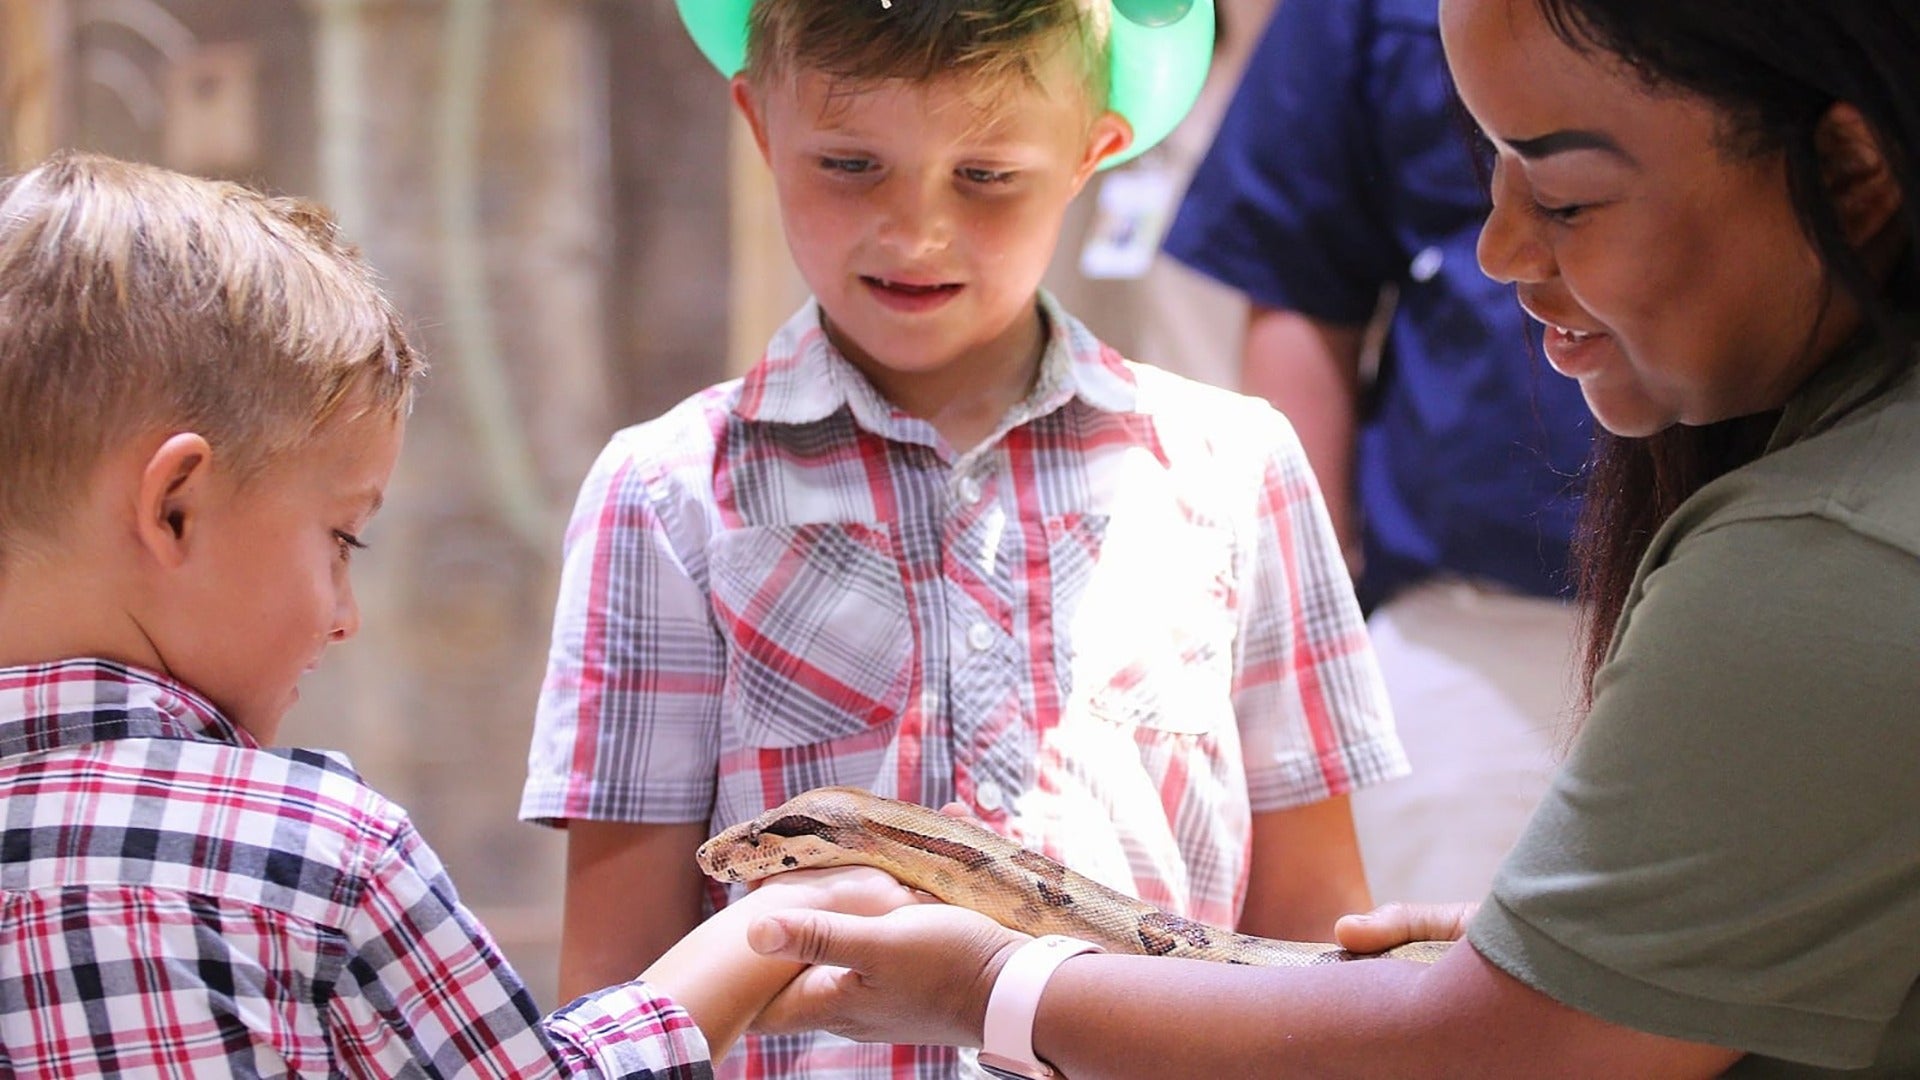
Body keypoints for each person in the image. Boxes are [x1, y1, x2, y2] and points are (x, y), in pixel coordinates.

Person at [731, 0, 1920, 1073]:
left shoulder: (1820, 558)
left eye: (1563, 198)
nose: (1497, 250)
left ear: (1849, 171)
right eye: (1484, 170)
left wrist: (997, 985)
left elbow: (1512, 1056)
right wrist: (1559, 961)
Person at [519, 2, 1409, 1077]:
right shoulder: (665, 494)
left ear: (1095, 151)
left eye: (986, 176)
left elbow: (1310, 952)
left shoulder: (1238, 469)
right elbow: (617, 997)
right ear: (758, 123)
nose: (915, 231)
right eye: (851, 163)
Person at [0, 150, 916, 1078]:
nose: (345, 617)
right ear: (175, 508)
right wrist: (750, 940)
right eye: (341, 540)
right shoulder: (316, 856)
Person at [1159, 0, 1596, 903]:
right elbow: (1300, 267)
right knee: (1417, 994)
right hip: (1475, 616)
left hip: (1790, 580)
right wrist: (1291, 642)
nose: (1507, 250)